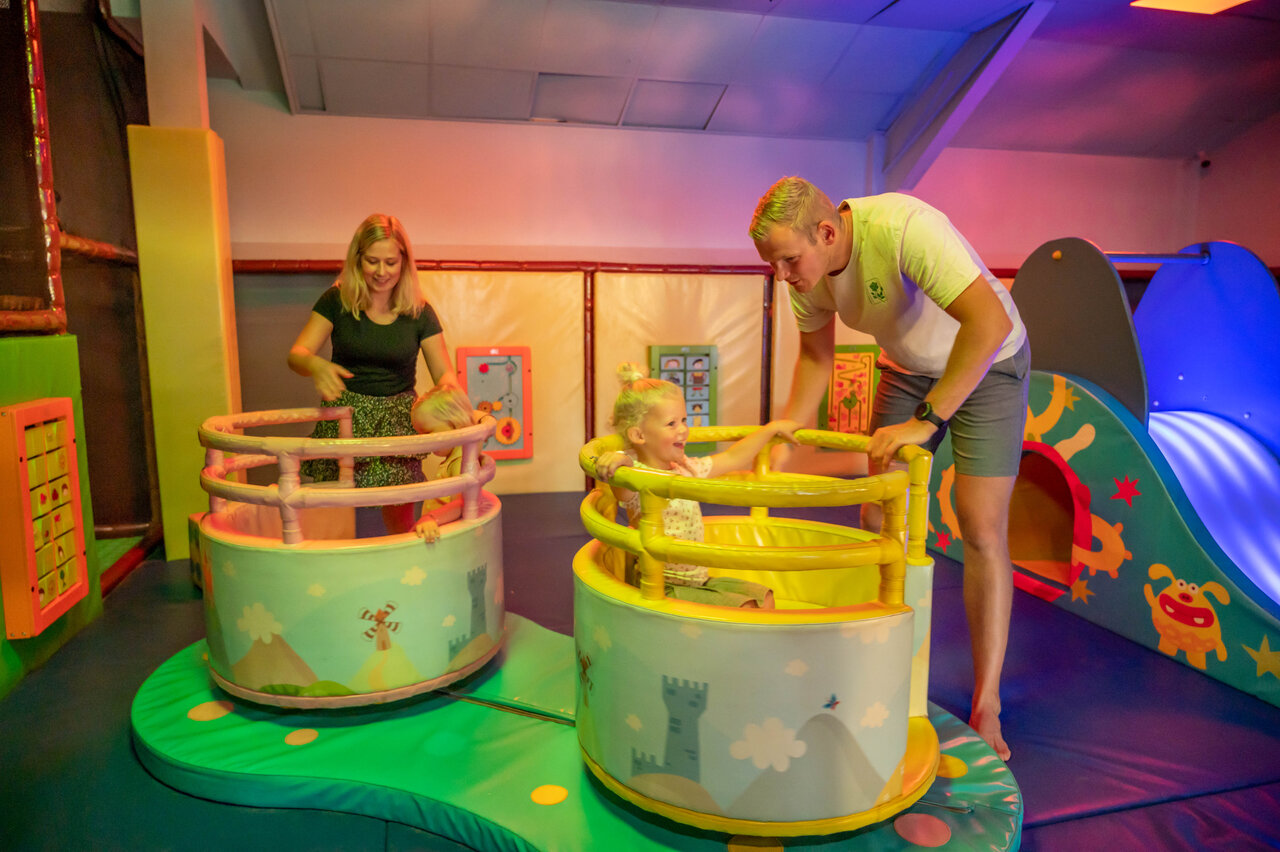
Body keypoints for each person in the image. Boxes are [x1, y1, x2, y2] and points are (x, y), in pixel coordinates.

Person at [749, 177, 1029, 761]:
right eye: (774, 265)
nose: (784, 276)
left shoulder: (905, 229)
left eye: (789, 260)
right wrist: (785, 428)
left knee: (978, 525)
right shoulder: (806, 272)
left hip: (987, 360)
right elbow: (817, 356)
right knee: (880, 508)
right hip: (909, 366)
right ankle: (876, 661)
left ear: (826, 232)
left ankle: (987, 700)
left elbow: (989, 325)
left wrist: (927, 422)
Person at [288, 213, 458, 535]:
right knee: (334, 505)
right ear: (357, 259)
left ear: (404, 263)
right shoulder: (337, 301)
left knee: (399, 507)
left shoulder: (419, 311)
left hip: (397, 418)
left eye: (390, 262)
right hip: (346, 415)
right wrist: (316, 365)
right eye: (372, 261)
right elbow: (297, 354)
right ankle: (331, 572)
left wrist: (457, 410)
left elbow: (445, 376)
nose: (381, 272)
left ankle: (404, 566)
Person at [596, 362, 801, 609]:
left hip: (697, 581)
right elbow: (623, 485)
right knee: (747, 610)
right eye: (671, 424)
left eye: (684, 419)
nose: (683, 429)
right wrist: (620, 459)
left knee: (765, 598)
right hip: (662, 584)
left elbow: (733, 457)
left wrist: (771, 429)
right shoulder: (638, 475)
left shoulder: (686, 468)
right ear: (639, 435)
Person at [409, 384, 476, 543]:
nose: (425, 440)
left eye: (428, 432)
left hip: (446, 537)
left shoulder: (459, 461)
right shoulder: (454, 458)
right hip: (441, 533)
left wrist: (431, 518)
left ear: (455, 425)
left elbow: (462, 503)